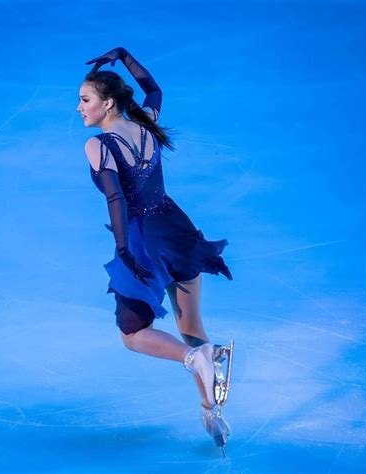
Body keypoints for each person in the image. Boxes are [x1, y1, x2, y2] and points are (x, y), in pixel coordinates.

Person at [78, 47, 234, 455]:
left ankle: (191, 359)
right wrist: (125, 57)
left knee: (132, 335)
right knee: (192, 325)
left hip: (143, 238)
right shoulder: (146, 126)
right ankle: (210, 411)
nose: (79, 108)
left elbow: (116, 199)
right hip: (175, 225)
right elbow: (154, 88)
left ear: (107, 103)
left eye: (85, 99)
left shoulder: (98, 145)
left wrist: (123, 248)